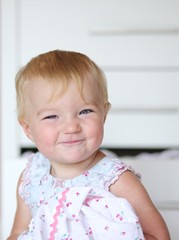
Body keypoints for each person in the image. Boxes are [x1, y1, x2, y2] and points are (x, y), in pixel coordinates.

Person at [7, 50, 170, 240]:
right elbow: (18, 233)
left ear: (104, 114)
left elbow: (158, 236)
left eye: (85, 111)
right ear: (28, 128)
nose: (71, 127)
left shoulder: (116, 180)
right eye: (52, 116)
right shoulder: (32, 177)